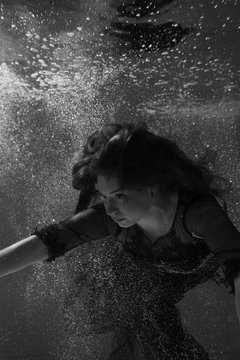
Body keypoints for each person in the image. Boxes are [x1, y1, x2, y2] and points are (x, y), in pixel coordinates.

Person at [1, 121, 240, 359]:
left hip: (190, 271)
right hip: (143, 277)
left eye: (119, 195)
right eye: (104, 196)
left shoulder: (198, 213)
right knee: (144, 312)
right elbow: (48, 241)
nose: (109, 208)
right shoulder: (109, 219)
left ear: (152, 184)